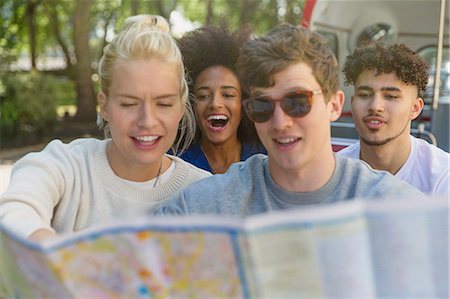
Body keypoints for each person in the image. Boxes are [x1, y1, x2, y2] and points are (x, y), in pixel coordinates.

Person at [154, 24, 425, 217]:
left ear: (334, 105)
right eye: (262, 106)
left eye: (297, 103)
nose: (280, 122)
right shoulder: (208, 203)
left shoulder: (394, 207)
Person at [0, 15, 210, 241]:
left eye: (164, 104)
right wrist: (52, 254)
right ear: (104, 106)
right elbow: (15, 211)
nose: (147, 120)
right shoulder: (68, 166)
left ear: (181, 107)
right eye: (129, 104)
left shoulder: (203, 191)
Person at [339, 43, 449, 196]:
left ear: (415, 108)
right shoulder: (333, 173)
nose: (375, 106)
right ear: (352, 103)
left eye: (391, 96)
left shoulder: (443, 177)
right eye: (364, 95)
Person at [176, 25, 265, 174]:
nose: (215, 104)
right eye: (203, 96)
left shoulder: (265, 159)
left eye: (228, 95)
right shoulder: (176, 164)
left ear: (244, 103)